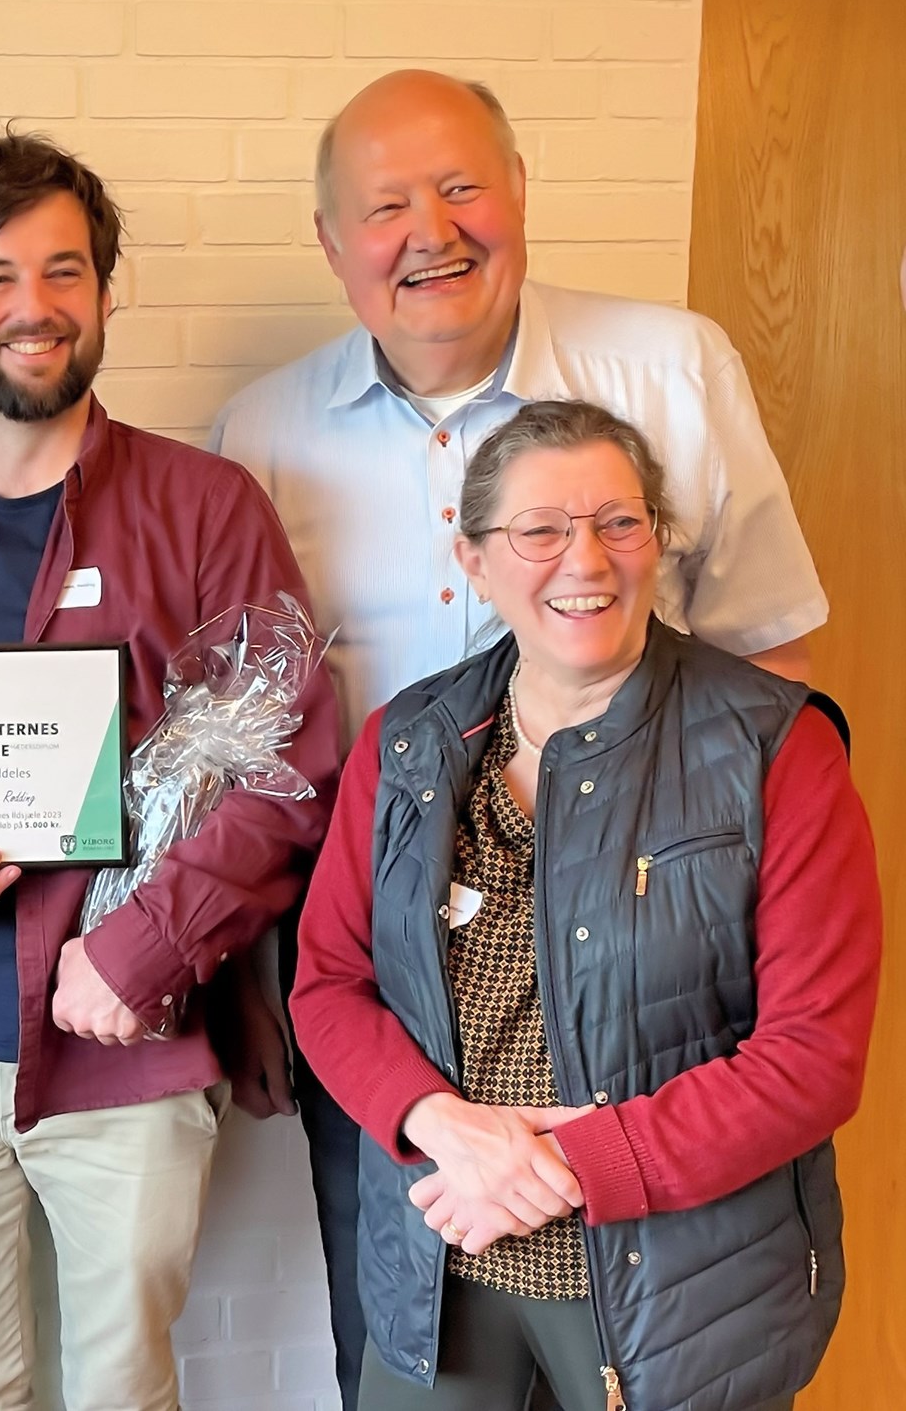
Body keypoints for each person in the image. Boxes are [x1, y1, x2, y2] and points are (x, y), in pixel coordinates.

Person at [205, 71, 831, 1407]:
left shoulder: (671, 368)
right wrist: (263, 985)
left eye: (460, 188)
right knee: (406, 1344)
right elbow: (255, 747)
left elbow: (768, 668)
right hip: (399, 1011)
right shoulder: (260, 435)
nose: (429, 231)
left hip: (659, 1009)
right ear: (331, 241)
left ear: (521, 191)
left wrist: (743, 902)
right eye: (385, 206)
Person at [0, 127, 339, 1410]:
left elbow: (287, 768)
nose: (31, 306)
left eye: (63, 271)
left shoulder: (205, 506)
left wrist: (142, 947)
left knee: (120, 1391)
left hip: (129, 1047)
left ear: (101, 293)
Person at [289, 399, 879, 1411]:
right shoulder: (405, 741)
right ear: (473, 561)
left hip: (680, 1299)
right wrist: (442, 1125)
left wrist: (562, 1161)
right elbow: (327, 987)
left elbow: (811, 1058)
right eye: (539, 530)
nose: (586, 560)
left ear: (657, 540)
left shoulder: (776, 747)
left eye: (618, 522)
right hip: (440, 1260)